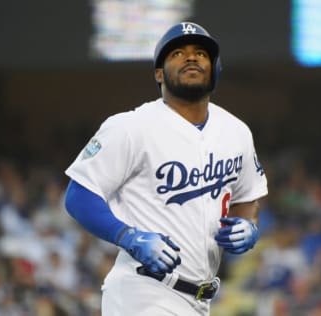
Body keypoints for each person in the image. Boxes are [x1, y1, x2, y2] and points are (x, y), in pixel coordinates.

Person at [63, 21, 268, 315]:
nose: (191, 57)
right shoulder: (130, 127)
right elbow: (78, 196)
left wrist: (248, 226)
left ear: (215, 69)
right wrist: (129, 237)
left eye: (201, 53)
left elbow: (247, 196)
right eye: (177, 53)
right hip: (143, 291)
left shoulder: (236, 132)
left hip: (200, 298)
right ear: (159, 74)